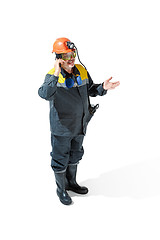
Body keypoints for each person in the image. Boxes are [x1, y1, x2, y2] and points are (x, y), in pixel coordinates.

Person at [38, 37, 120, 205]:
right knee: (60, 157)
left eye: (73, 54)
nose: (71, 58)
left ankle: (71, 183)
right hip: (61, 128)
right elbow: (44, 94)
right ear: (58, 58)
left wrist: (102, 88)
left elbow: (90, 89)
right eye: (67, 56)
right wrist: (55, 72)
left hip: (80, 124)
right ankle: (61, 189)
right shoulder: (52, 76)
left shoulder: (81, 70)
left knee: (76, 154)